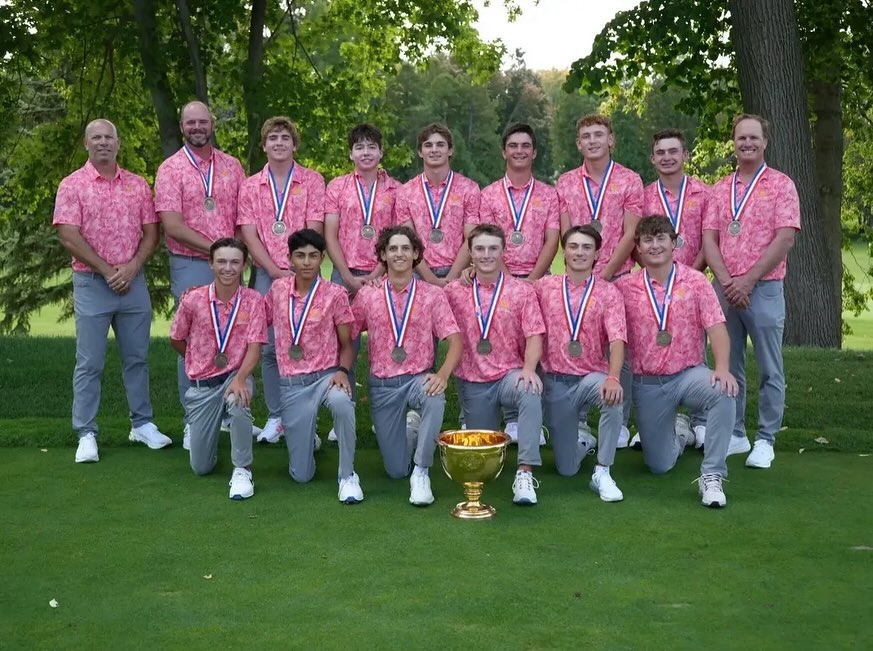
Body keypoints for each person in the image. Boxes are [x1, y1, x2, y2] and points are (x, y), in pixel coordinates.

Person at [54, 118, 171, 463]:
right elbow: (68, 235)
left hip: (132, 283)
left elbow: (151, 232)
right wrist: (107, 271)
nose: (103, 142)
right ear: (86, 144)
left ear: (118, 143)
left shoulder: (137, 185)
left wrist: (132, 267)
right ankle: (86, 432)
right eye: (96, 137)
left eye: (109, 137)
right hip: (93, 283)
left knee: (137, 358)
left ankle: (142, 424)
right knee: (90, 362)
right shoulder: (72, 185)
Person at [616, 216, 737, 507]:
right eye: (648, 240)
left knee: (724, 391)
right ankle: (681, 432)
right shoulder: (624, 288)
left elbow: (717, 328)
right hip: (649, 383)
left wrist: (722, 368)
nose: (655, 245)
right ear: (638, 248)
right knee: (659, 465)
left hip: (689, 375)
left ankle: (712, 475)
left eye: (661, 238)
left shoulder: (696, 282)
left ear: (674, 243)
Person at [703, 114, 800, 469]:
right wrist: (728, 281)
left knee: (770, 367)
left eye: (753, 137)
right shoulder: (720, 188)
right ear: (734, 143)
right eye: (741, 138)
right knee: (728, 364)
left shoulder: (781, 185)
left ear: (765, 142)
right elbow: (709, 239)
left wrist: (748, 280)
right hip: (725, 289)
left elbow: (785, 238)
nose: (747, 143)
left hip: (764, 288)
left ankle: (766, 439)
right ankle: (736, 433)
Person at [155, 101, 247, 449]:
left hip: (231, 265)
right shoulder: (170, 169)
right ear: (182, 127)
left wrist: (232, 257)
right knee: (194, 342)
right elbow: (172, 225)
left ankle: (229, 414)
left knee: (232, 336)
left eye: (203, 121)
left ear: (212, 124)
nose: (197, 127)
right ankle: (193, 420)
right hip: (191, 263)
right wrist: (218, 251)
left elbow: (242, 219)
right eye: (190, 122)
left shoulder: (232, 166)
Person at [351, 225, 462, 506]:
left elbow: (455, 340)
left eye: (405, 248)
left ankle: (422, 470)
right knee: (396, 470)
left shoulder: (432, 295)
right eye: (393, 249)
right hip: (383, 386)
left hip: (417, 379)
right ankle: (412, 432)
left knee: (434, 396)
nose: (399, 254)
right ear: (383, 255)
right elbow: (348, 334)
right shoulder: (368, 295)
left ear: (415, 254)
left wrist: (442, 374)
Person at [556, 114, 645, 448]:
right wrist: (584, 275)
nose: (592, 140)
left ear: (611, 139)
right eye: (586, 136)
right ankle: (579, 421)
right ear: (578, 143)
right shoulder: (566, 182)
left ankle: (619, 421)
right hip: (577, 283)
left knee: (621, 349)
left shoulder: (629, 179)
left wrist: (604, 275)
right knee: (577, 346)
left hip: (616, 277)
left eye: (598, 134)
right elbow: (567, 235)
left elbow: (631, 233)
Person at [238, 116, 326, 444]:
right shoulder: (250, 186)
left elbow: (314, 228)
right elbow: (249, 234)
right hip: (267, 275)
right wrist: (275, 270)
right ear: (264, 145)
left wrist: (300, 266)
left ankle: (307, 417)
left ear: (294, 144)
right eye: (272, 138)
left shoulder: (313, 181)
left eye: (285, 138)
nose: (278, 143)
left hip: (305, 273)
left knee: (308, 344)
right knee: (270, 348)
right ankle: (276, 416)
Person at [444, 224, 547, 505]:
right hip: (473, 381)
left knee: (530, 389)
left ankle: (525, 472)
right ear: (470, 253)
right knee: (484, 460)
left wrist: (529, 369)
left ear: (503, 251)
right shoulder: (454, 291)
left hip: (509, 375)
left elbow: (535, 334)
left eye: (493, 248)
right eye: (479, 249)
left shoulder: (521, 291)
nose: (486, 254)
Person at [265, 229, 363, 503]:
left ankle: (347, 475)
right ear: (289, 258)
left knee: (343, 403)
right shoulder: (278, 290)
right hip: (293, 384)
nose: (306, 262)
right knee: (301, 475)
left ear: (322, 258)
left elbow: (347, 344)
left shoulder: (335, 294)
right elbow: (255, 317)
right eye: (300, 256)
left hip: (327, 377)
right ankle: (308, 439)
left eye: (313, 256)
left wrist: (343, 371)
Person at [478, 123, 558, 444]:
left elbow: (552, 239)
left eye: (526, 145)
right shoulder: (488, 194)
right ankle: (509, 418)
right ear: (504, 151)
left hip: (539, 281)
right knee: (503, 345)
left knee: (539, 347)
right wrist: (508, 281)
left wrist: (532, 280)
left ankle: (533, 419)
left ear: (534, 152)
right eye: (513, 145)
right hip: (499, 281)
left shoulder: (549, 194)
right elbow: (486, 241)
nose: (519, 151)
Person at [169, 238, 266, 499]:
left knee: (238, 399)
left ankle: (242, 469)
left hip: (235, 375)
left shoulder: (254, 300)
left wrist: (241, 378)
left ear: (244, 266)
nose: (228, 268)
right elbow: (176, 339)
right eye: (221, 261)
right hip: (203, 384)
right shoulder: (193, 299)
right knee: (201, 467)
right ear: (211, 263)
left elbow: (255, 348)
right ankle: (212, 444)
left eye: (235, 262)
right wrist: (195, 360)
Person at [536, 225, 627, 502]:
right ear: (564, 252)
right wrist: (471, 274)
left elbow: (617, 339)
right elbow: (509, 291)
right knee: (566, 468)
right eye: (573, 246)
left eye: (587, 247)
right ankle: (584, 441)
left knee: (613, 397)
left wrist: (613, 377)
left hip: (592, 378)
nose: (579, 252)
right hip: (556, 382)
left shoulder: (608, 292)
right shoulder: (544, 287)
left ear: (597, 254)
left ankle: (603, 471)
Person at [324, 123, 400, 440]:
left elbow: (397, 237)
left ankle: (386, 413)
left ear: (381, 152)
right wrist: (347, 276)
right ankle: (344, 412)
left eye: (371, 146)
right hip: (344, 274)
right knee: (344, 343)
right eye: (359, 147)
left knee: (387, 344)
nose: (365, 152)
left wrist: (376, 274)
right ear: (351, 153)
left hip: (385, 276)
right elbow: (330, 234)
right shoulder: (337, 187)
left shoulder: (395, 189)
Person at [642, 128, 711, 448]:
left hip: (694, 281)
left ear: (686, 155)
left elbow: (710, 240)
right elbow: (639, 241)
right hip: (654, 287)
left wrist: (690, 276)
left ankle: (701, 419)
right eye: (661, 152)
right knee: (655, 351)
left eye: (673, 151)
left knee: (695, 348)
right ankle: (661, 418)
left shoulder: (704, 193)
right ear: (652, 158)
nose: (667, 157)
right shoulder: (645, 196)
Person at [395, 123, 480, 285]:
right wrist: (431, 280)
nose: (434, 150)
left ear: (450, 150)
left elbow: (472, 237)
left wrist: (451, 278)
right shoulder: (404, 192)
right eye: (428, 145)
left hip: (459, 274)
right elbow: (408, 240)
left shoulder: (469, 188)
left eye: (440, 145)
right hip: (418, 273)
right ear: (420, 152)